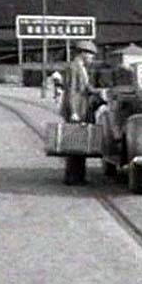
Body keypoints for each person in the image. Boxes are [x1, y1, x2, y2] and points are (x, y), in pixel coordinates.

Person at [60, 40, 98, 185]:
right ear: (83, 53)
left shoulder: (81, 68)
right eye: (90, 55)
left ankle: (78, 176)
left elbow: (86, 87)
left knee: (80, 143)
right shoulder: (74, 68)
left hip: (82, 108)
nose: (92, 58)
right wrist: (74, 111)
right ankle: (72, 177)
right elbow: (71, 91)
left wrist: (98, 92)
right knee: (75, 144)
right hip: (76, 110)